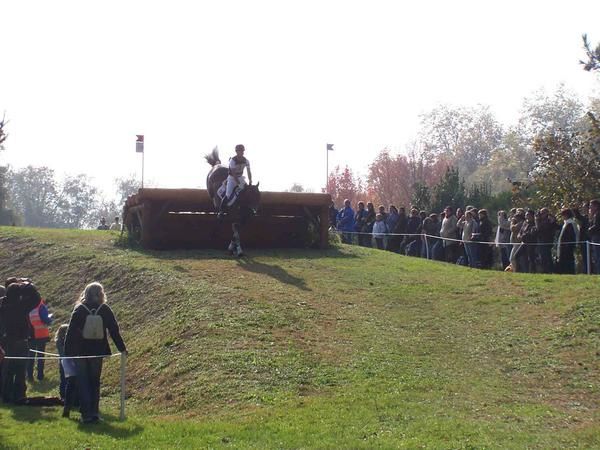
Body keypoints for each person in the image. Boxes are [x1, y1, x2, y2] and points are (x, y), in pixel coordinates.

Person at [65, 282, 127, 424]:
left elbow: (71, 332)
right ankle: (94, 412)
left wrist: (68, 352)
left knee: (83, 382)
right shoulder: (104, 309)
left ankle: (85, 414)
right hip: (98, 351)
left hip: (81, 352)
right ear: (101, 294)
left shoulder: (79, 309)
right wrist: (122, 348)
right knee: (94, 382)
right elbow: (114, 330)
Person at [0, 278, 42, 403]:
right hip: (21, 341)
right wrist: (27, 284)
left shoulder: (3, 305)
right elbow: (37, 299)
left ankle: (6, 395)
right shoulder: (22, 305)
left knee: (7, 370)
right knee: (20, 370)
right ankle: (19, 395)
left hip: (6, 341)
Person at [219, 144, 253, 216]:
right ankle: (221, 211)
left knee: (248, 191)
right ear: (236, 151)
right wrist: (238, 183)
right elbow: (234, 174)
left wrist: (250, 180)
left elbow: (249, 171)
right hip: (232, 179)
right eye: (240, 151)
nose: (241, 152)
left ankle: (250, 208)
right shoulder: (232, 161)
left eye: (242, 151)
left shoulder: (246, 161)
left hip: (240, 177)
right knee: (228, 195)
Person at [27, 297, 53, 381]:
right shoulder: (41, 306)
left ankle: (29, 376)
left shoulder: (26, 306)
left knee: (30, 357)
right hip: (41, 335)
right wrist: (51, 319)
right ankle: (40, 376)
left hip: (30, 335)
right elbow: (45, 319)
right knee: (40, 356)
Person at [55, 324, 78, 418]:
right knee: (68, 380)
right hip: (68, 361)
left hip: (62, 361)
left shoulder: (58, 340)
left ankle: (63, 397)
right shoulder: (64, 341)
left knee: (63, 380)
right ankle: (67, 398)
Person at [556, 208, 579, 274]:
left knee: (568, 262)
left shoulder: (570, 224)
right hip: (564, 247)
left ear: (566, 215)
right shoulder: (566, 223)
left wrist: (567, 246)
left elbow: (570, 236)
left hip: (567, 247)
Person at [588, 199, 600, 274]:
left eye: (591, 206)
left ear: (596, 206)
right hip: (596, 236)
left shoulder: (597, 214)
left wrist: (589, 229)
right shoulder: (595, 214)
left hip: (597, 237)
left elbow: (597, 226)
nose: (590, 207)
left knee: (597, 256)